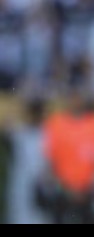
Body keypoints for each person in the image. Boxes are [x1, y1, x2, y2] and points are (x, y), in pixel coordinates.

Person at [40, 87, 94, 224]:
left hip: (90, 193)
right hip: (62, 192)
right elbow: (50, 159)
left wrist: (87, 188)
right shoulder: (55, 123)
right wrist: (66, 188)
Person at [2, 95, 51, 224]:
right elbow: (6, 124)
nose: (35, 115)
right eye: (32, 111)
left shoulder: (49, 133)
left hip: (42, 188)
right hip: (21, 188)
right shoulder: (19, 131)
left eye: (38, 111)